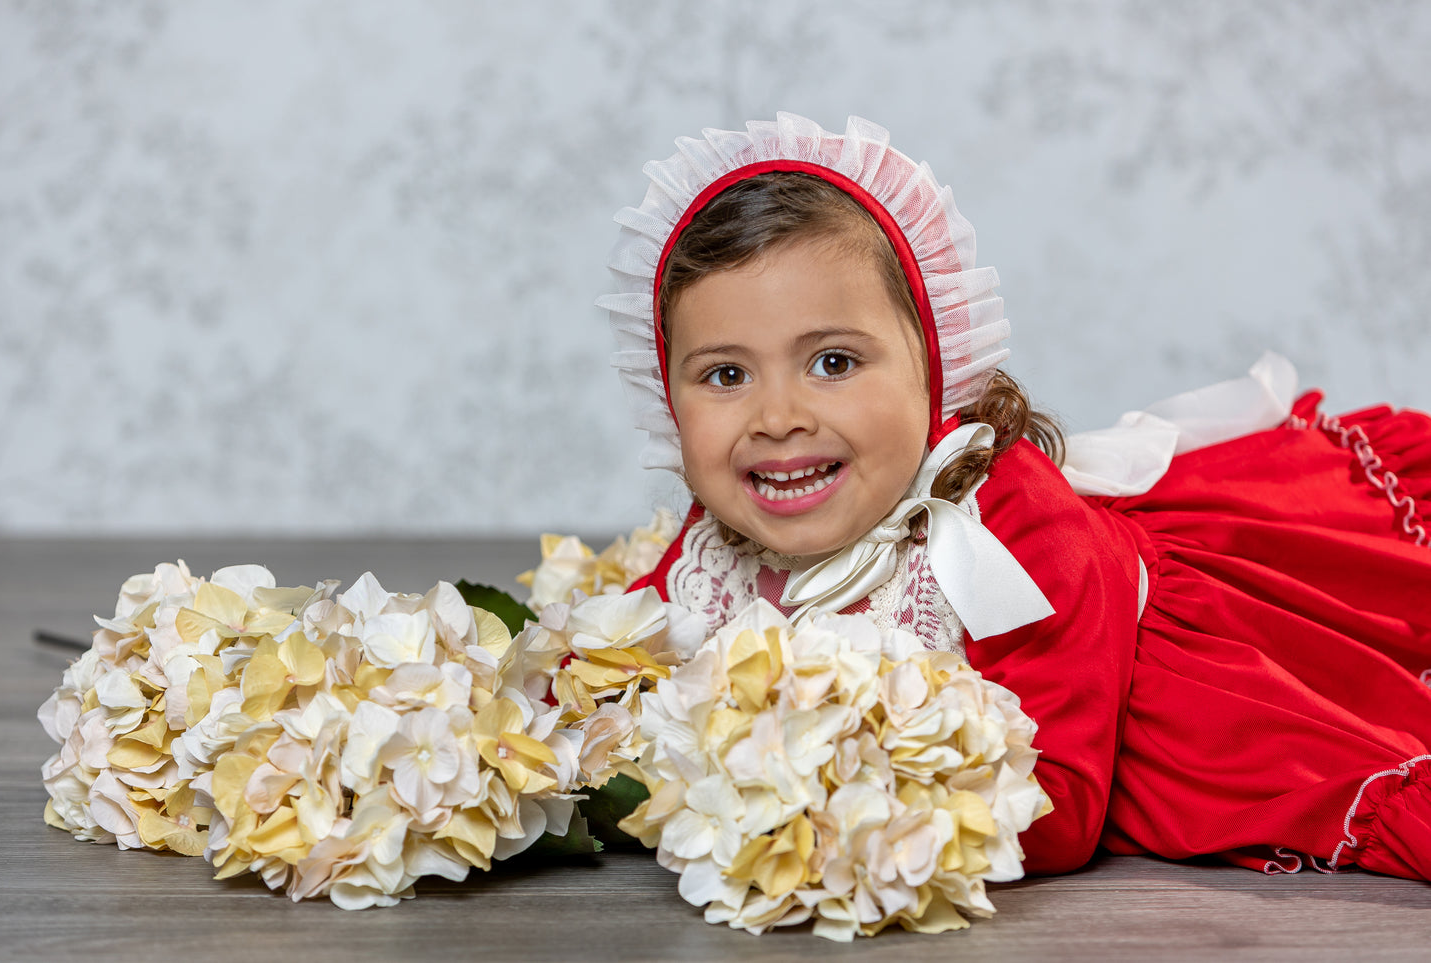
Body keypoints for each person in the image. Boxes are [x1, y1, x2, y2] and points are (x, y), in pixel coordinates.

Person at [598, 113, 1431, 880]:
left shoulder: (1014, 526)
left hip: (1157, 721)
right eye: (726, 375)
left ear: (936, 364)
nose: (777, 418)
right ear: (668, 398)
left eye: (834, 362)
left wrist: (826, 811)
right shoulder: (720, 534)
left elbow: (1061, 803)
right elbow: (623, 661)